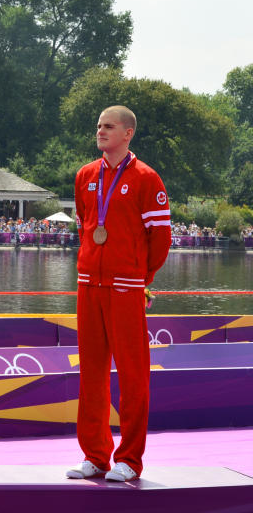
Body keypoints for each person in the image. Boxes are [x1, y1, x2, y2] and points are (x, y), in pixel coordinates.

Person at [66, 105, 171, 482]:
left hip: (126, 287)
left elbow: (161, 239)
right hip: (88, 284)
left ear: (128, 133)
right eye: (98, 126)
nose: (100, 131)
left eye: (108, 126)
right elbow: (86, 226)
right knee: (90, 374)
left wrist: (142, 278)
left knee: (132, 374)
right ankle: (95, 456)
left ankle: (129, 459)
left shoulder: (147, 179)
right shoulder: (84, 176)